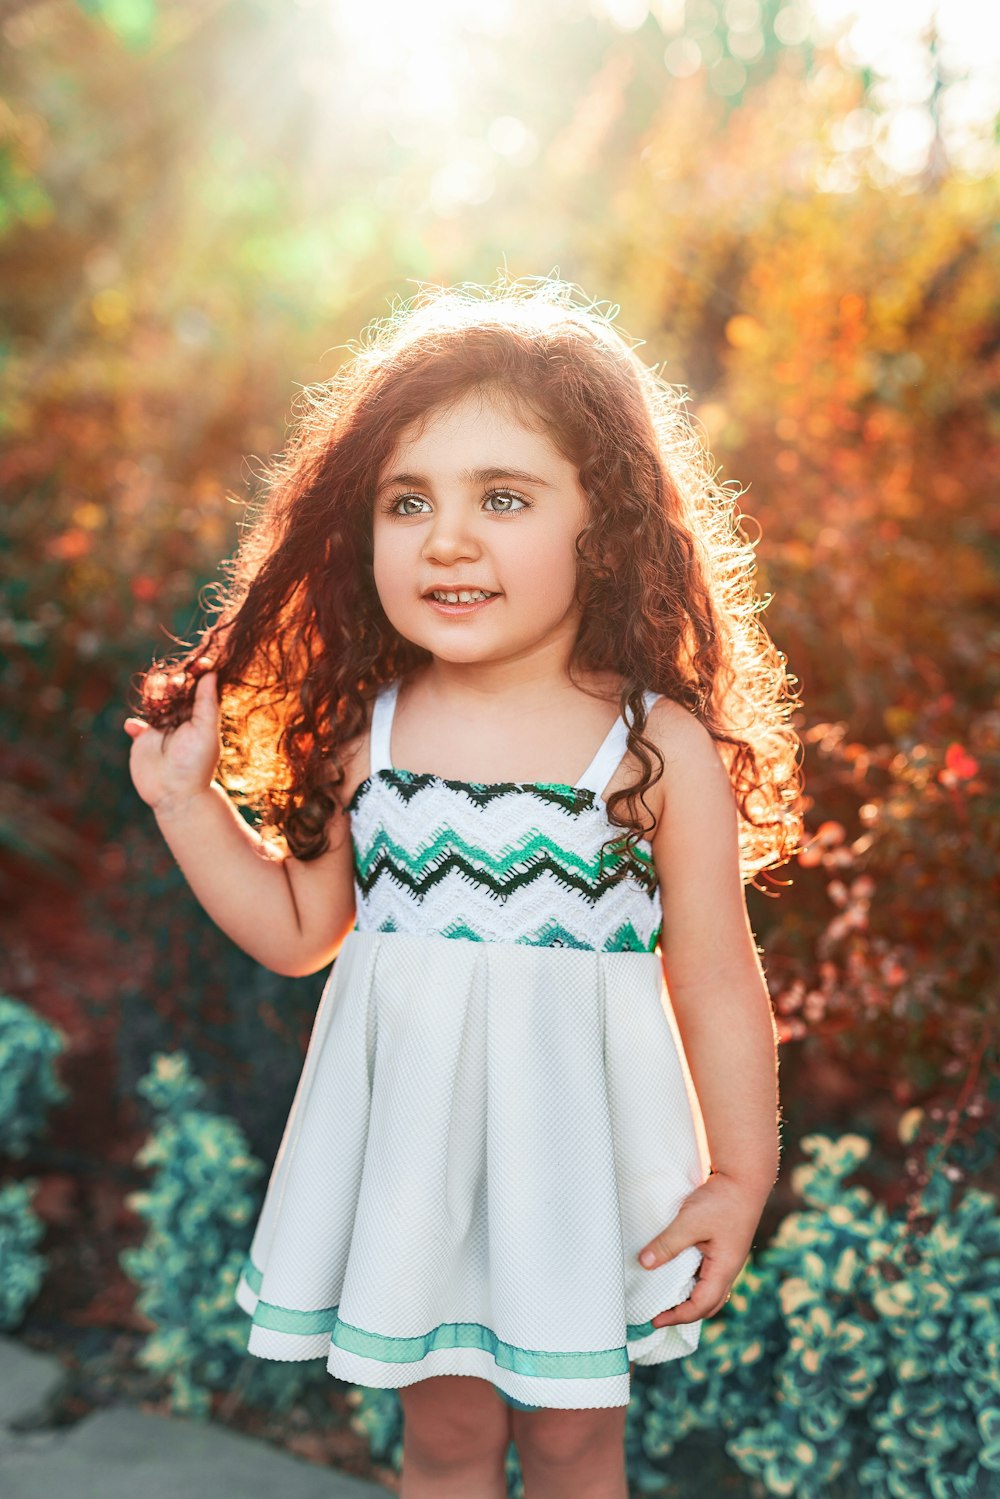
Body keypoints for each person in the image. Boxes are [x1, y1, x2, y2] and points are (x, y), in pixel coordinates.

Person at [124, 276, 804, 1499]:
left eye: (503, 497)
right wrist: (188, 801)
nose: (448, 537)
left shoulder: (654, 748)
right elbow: (297, 931)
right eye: (407, 501)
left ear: (605, 525)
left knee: (570, 1441)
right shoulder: (361, 734)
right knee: (440, 1442)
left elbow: (712, 974)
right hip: (420, 1167)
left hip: (576, 1169)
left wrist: (737, 1177)